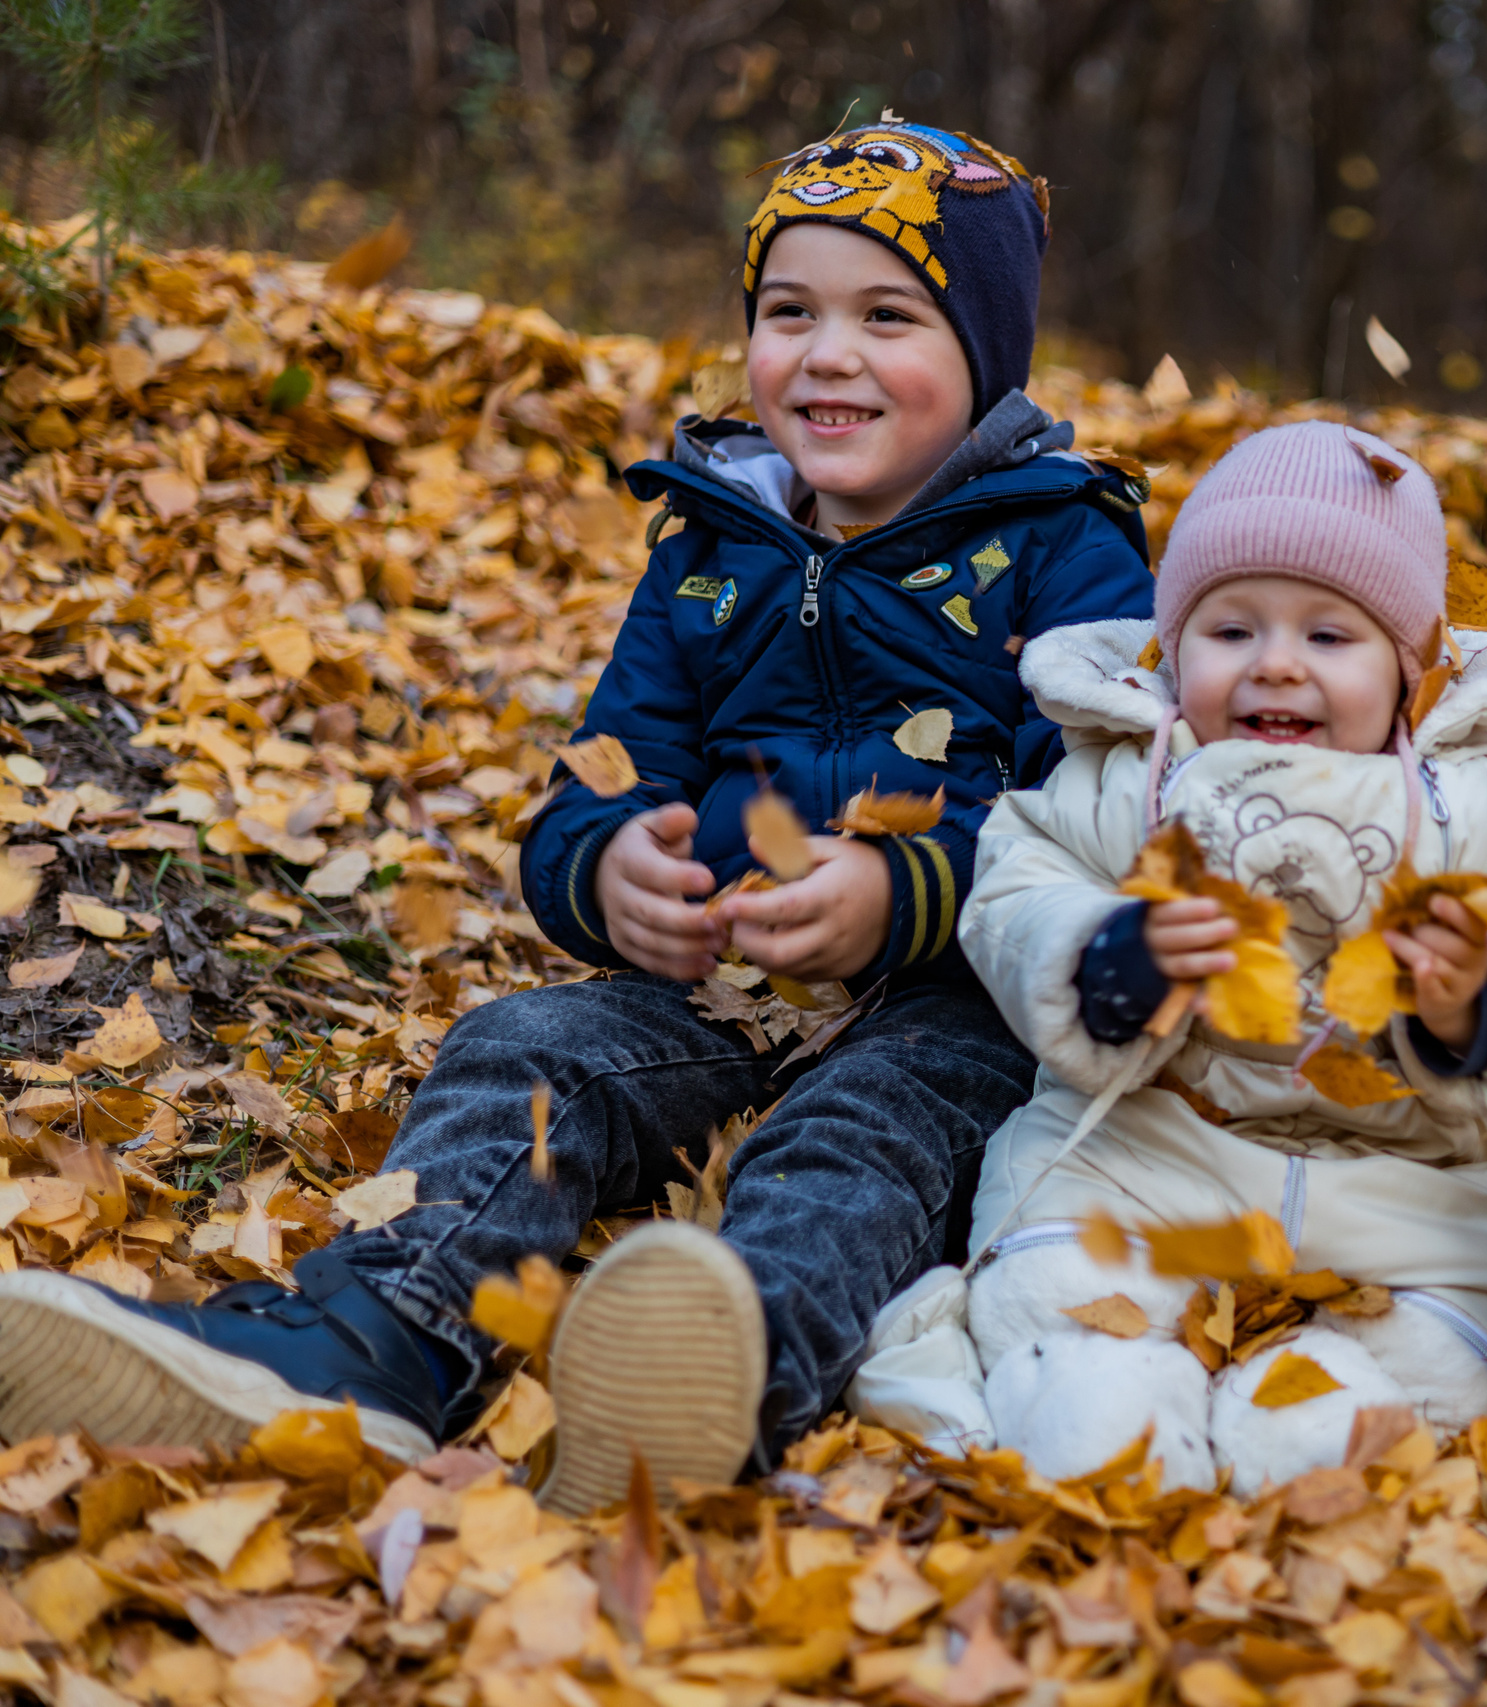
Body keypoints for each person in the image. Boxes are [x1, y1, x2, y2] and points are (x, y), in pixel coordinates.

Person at [0, 121, 1156, 1515]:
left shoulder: (1066, 546)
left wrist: (905, 887)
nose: (826, 352)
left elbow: (1096, 818)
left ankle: (718, 1369)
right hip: (721, 986)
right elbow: (603, 771)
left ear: (987, 354)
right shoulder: (714, 543)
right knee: (523, 1048)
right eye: (787, 311)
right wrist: (603, 868)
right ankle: (378, 1337)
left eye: (887, 315)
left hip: (952, 1009)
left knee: (855, 1144)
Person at [851, 420, 1487, 1492]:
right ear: (1170, 646)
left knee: (1438, 1356)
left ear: (1412, 675)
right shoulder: (1116, 778)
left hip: (1406, 1184)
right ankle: (1106, 1394)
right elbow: (1014, 892)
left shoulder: (1482, 808)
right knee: (1059, 1290)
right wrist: (1111, 959)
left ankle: (1317, 1413)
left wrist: (1474, 999)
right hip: (1155, 1155)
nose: (1275, 663)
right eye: (1231, 629)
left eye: (1330, 639)